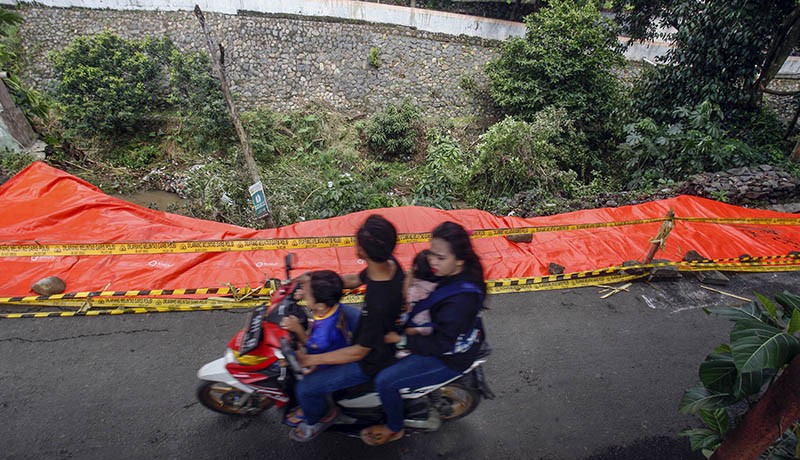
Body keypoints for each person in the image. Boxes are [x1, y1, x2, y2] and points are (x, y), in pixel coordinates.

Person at [360, 221, 487, 446]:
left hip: (447, 355)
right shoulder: (449, 272)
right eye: (431, 254)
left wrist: (402, 340)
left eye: (440, 258)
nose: (432, 262)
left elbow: (440, 345)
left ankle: (394, 427)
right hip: (438, 330)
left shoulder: (460, 303)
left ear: (459, 259)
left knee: (385, 381)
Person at [289, 214, 405, 442]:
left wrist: (310, 360)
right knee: (336, 309)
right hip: (371, 326)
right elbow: (352, 279)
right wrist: (314, 283)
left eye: (357, 242)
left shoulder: (379, 303)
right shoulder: (387, 264)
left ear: (362, 251)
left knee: (306, 388)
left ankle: (320, 418)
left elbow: (358, 352)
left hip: (370, 359)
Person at [280, 270, 351, 427]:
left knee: (304, 387)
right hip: (337, 344)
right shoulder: (329, 308)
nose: (304, 293)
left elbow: (313, 348)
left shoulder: (324, 333)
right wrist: (303, 286)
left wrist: (298, 329)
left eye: (307, 293)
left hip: (327, 362)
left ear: (319, 305)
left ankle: (317, 413)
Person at [391, 250, 438, 358]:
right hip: (428, 323)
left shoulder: (415, 292)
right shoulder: (440, 283)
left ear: (416, 268)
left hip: (420, 327)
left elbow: (404, 296)